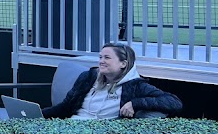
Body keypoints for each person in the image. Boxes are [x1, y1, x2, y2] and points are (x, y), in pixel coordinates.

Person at [44, 42, 181, 120]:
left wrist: (135, 103)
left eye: (107, 58)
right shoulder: (88, 77)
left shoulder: (135, 85)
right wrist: (39, 115)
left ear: (123, 64)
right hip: (71, 127)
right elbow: (65, 107)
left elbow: (174, 102)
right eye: (100, 57)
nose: (101, 61)